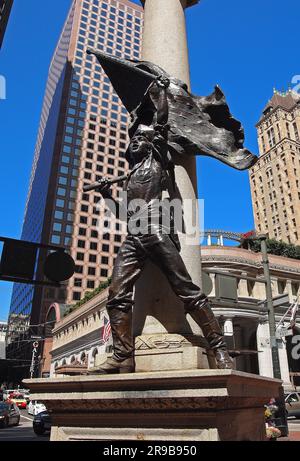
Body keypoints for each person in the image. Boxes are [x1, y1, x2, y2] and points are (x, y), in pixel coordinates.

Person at [90, 76, 233, 374]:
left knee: (187, 290)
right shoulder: (129, 178)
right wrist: (106, 196)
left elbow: (162, 124)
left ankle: (219, 349)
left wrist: (160, 95)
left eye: (140, 139)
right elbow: (124, 214)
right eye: (134, 142)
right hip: (134, 236)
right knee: (117, 296)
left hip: (156, 230)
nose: (137, 141)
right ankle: (123, 356)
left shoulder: (156, 159)